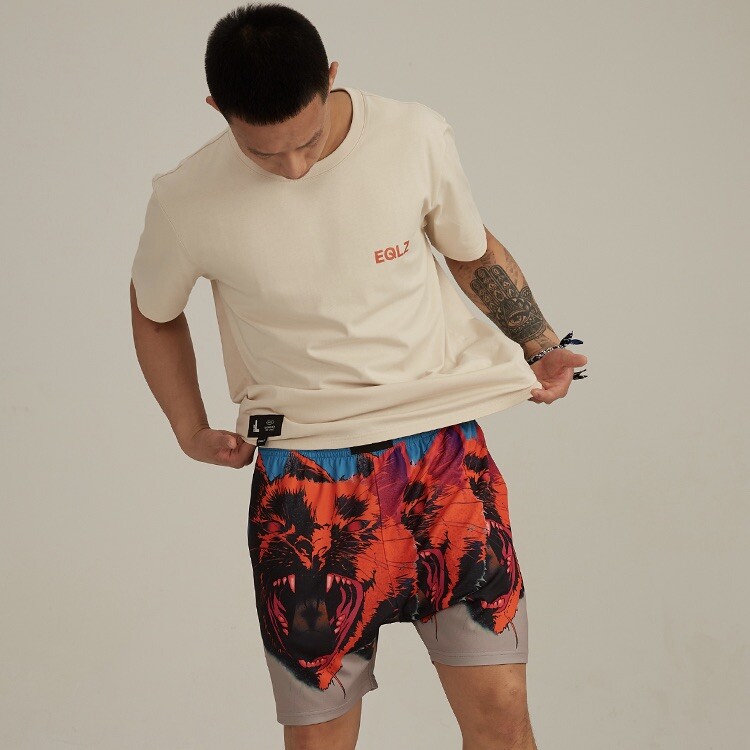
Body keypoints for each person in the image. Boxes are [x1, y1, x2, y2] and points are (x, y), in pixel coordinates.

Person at [129, 3, 587, 748]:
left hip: (443, 461)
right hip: (306, 483)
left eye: (307, 141)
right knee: (320, 743)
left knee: (503, 721)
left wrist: (539, 342)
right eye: (263, 153)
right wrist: (188, 428)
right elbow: (153, 311)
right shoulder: (186, 198)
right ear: (217, 109)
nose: (293, 168)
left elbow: (469, 249)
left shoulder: (413, 135)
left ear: (332, 78)